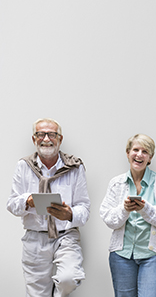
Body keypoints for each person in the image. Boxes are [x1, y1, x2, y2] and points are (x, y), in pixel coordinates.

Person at [7, 118, 90, 296]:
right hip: (35, 238)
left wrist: (70, 214)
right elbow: (12, 204)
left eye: (52, 134)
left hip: (66, 236)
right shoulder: (23, 166)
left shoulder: (74, 167)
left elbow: (84, 207)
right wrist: (27, 201)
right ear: (33, 139)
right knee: (36, 293)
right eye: (40, 134)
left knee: (68, 279)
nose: (46, 138)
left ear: (60, 139)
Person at [100, 134, 156, 297]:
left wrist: (144, 208)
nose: (139, 155)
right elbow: (108, 217)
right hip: (121, 255)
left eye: (145, 151)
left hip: (154, 256)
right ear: (128, 153)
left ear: (150, 158)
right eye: (135, 150)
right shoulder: (116, 182)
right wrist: (125, 209)